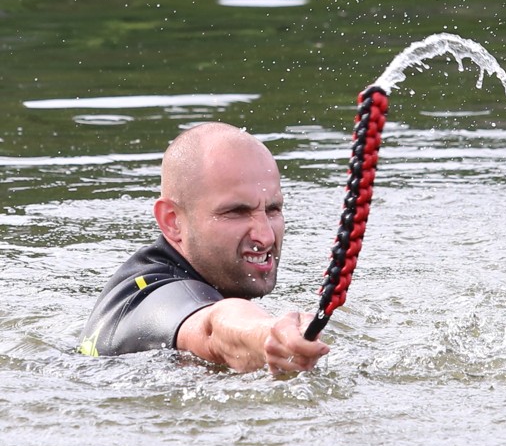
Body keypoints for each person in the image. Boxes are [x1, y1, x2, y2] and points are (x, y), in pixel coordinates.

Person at [79, 122, 330, 374]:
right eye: (236, 212)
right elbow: (213, 327)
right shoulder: (153, 297)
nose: (265, 237)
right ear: (172, 221)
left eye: (273, 209)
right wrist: (266, 334)